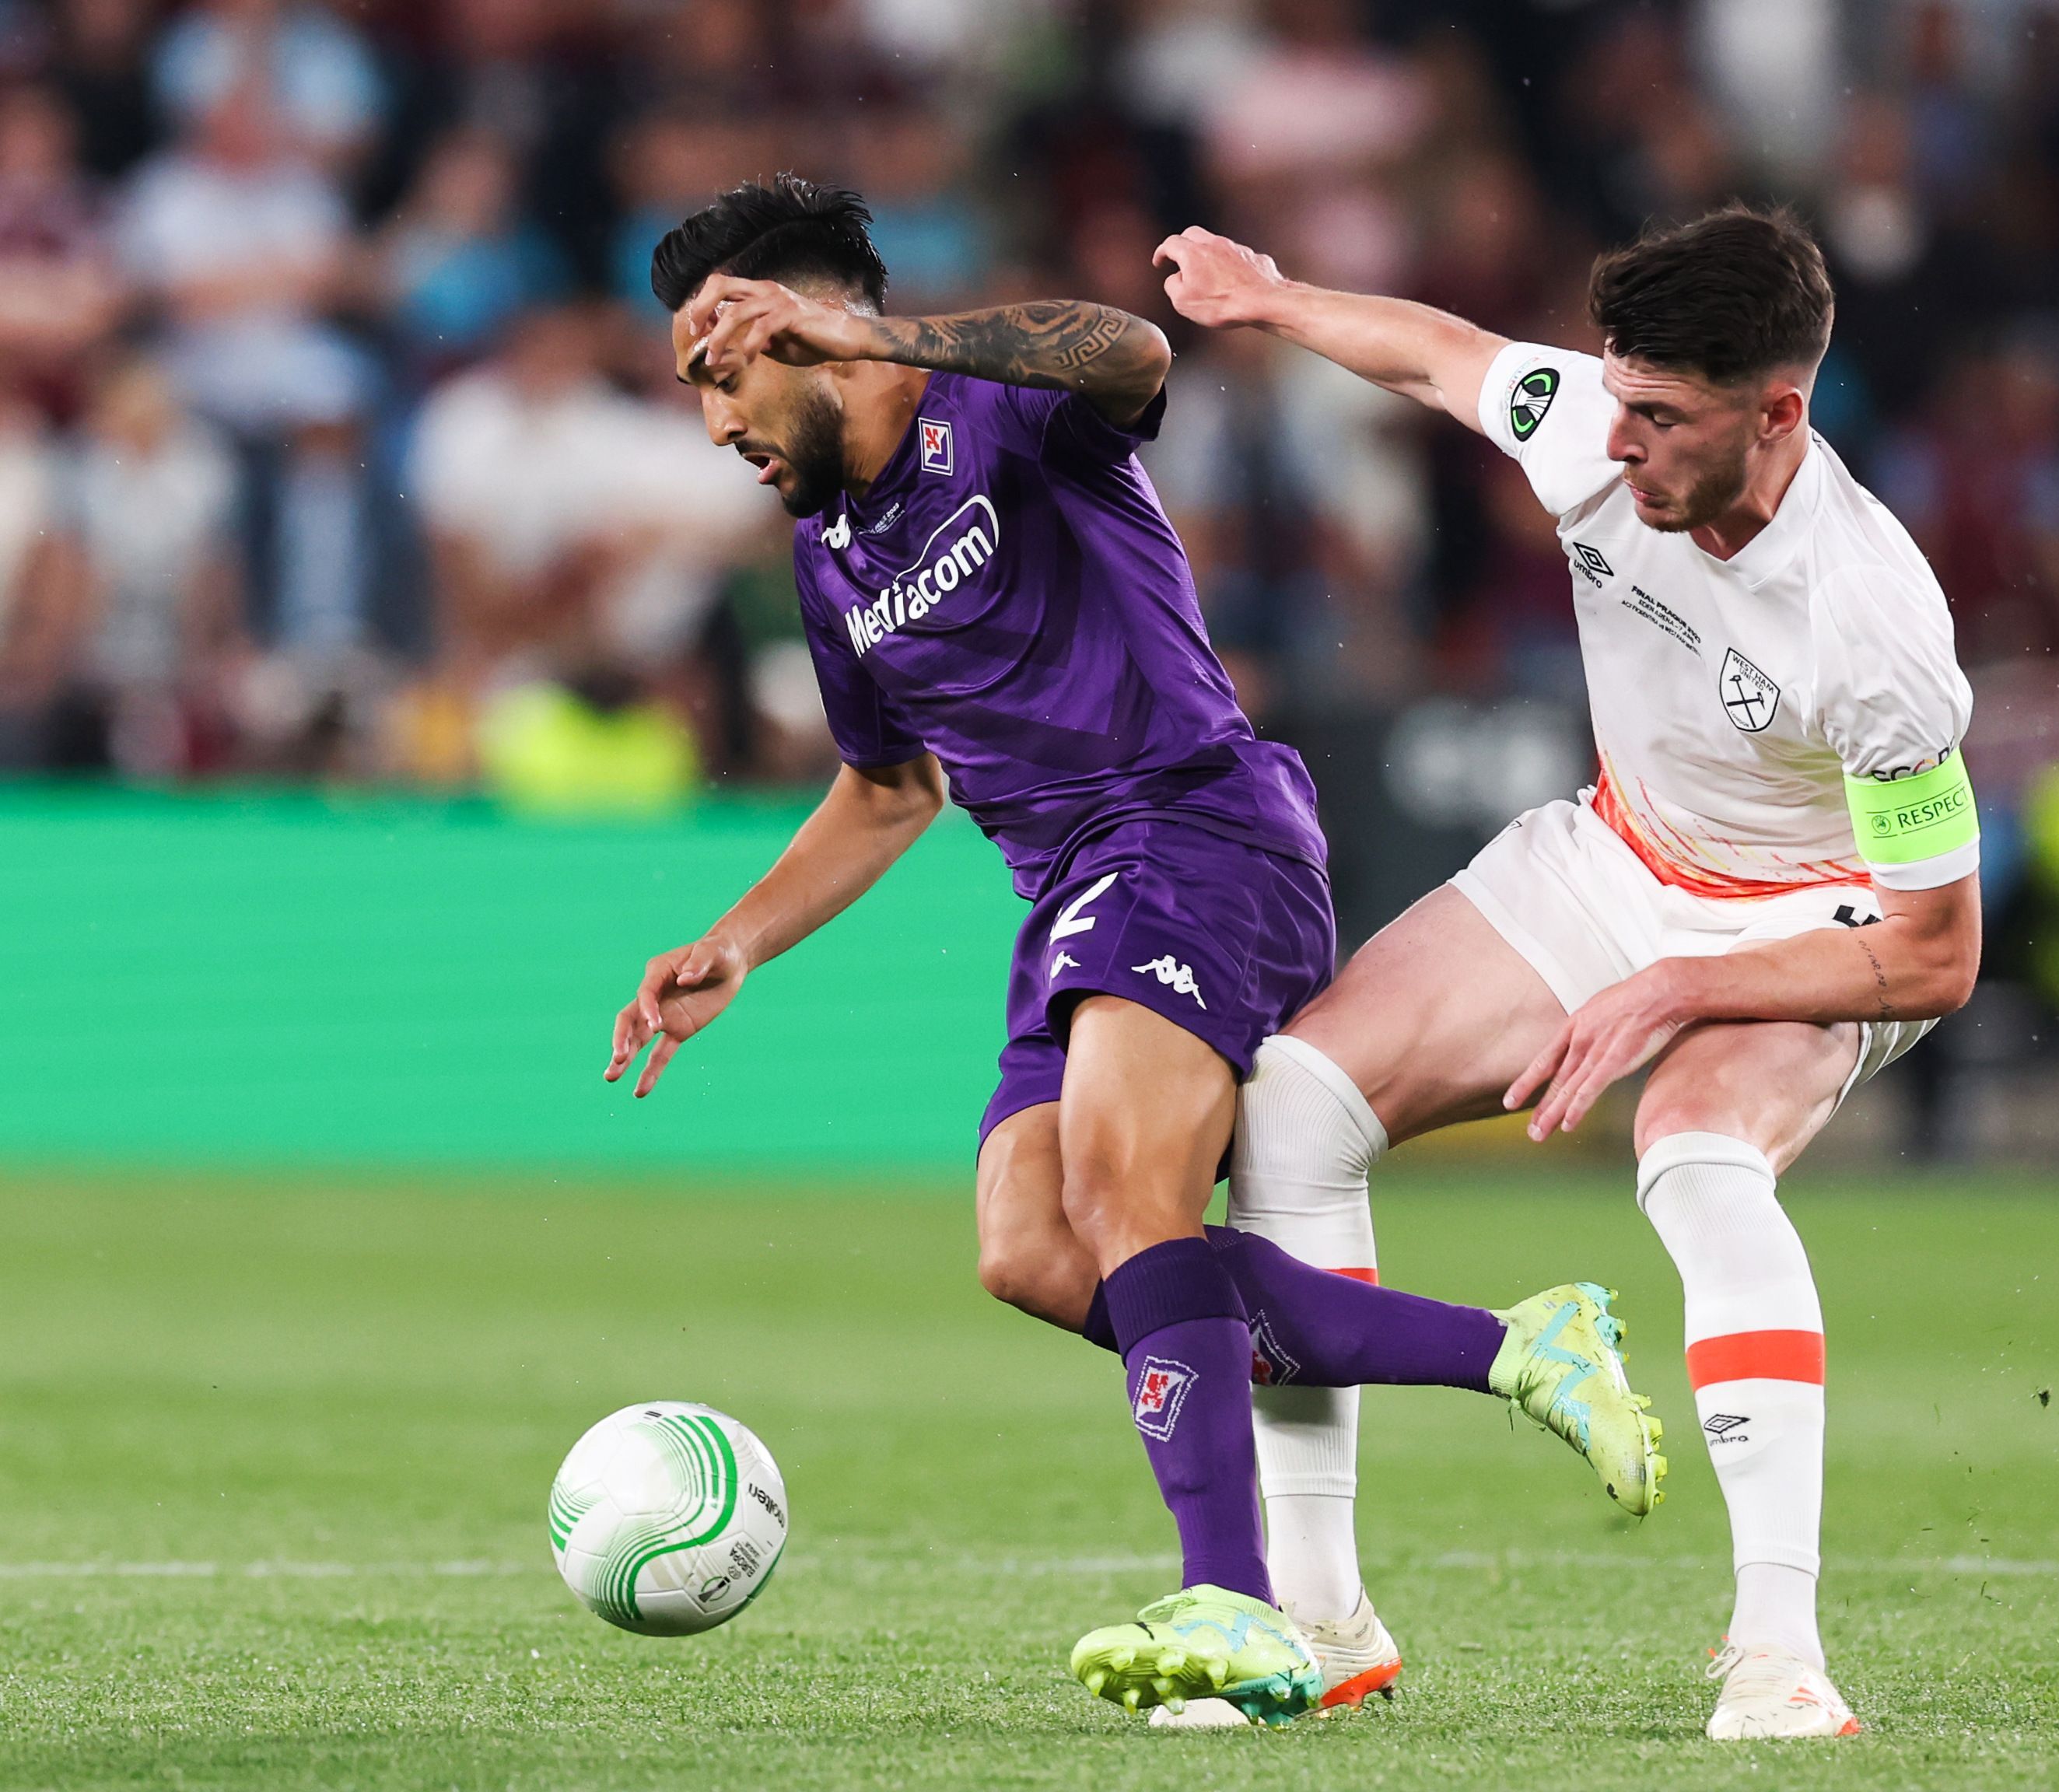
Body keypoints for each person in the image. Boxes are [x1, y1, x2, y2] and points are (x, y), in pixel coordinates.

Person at [602, 176, 1663, 1726]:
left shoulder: (1003, 407)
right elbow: (892, 788)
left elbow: (1131, 352)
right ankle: (1519, 1347)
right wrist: (737, 942)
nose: (716, 431)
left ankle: (1240, 1608)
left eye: (725, 373)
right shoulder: (826, 559)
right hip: (1070, 899)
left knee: (1123, 1198)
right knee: (1031, 1248)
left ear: (813, 333)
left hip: (1196, 831)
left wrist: (872, 327)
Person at [1153, 205, 1983, 1740]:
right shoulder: (1597, 423)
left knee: (1698, 1158)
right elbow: (1444, 358)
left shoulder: (1874, 630)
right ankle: (1320, 1623)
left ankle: (1777, 1654)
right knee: (1290, 1117)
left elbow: (1936, 954)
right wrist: (1271, 299)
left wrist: (1683, 992)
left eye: (1663, 420)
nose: (1621, 443)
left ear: (1778, 413)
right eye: (1616, 396)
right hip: (1617, 860)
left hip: (1815, 914)